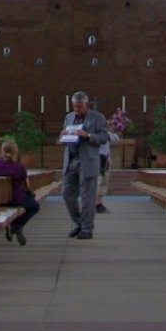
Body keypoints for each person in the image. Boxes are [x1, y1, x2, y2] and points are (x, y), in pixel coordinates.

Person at [61, 91, 110, 239]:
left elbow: (103, 138)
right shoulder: (68, 117)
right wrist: (62, 135)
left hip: (87, 161)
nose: (77, 110)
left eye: (79, 107)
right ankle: (79, 223)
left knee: (87, 197)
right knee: (67, 194)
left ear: (86, 104)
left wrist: (87, 135)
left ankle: (87, 229)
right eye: (74, 107)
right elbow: (64, 137)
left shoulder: (97, 118)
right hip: (70, 160)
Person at [0, 139, 39, 245]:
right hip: (15, 199)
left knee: (28, 200)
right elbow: (27, 186)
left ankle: (14, 227)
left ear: (2, 150)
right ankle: (17, 225)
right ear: (15, 152)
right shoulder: (18, 167)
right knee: (34, 206)